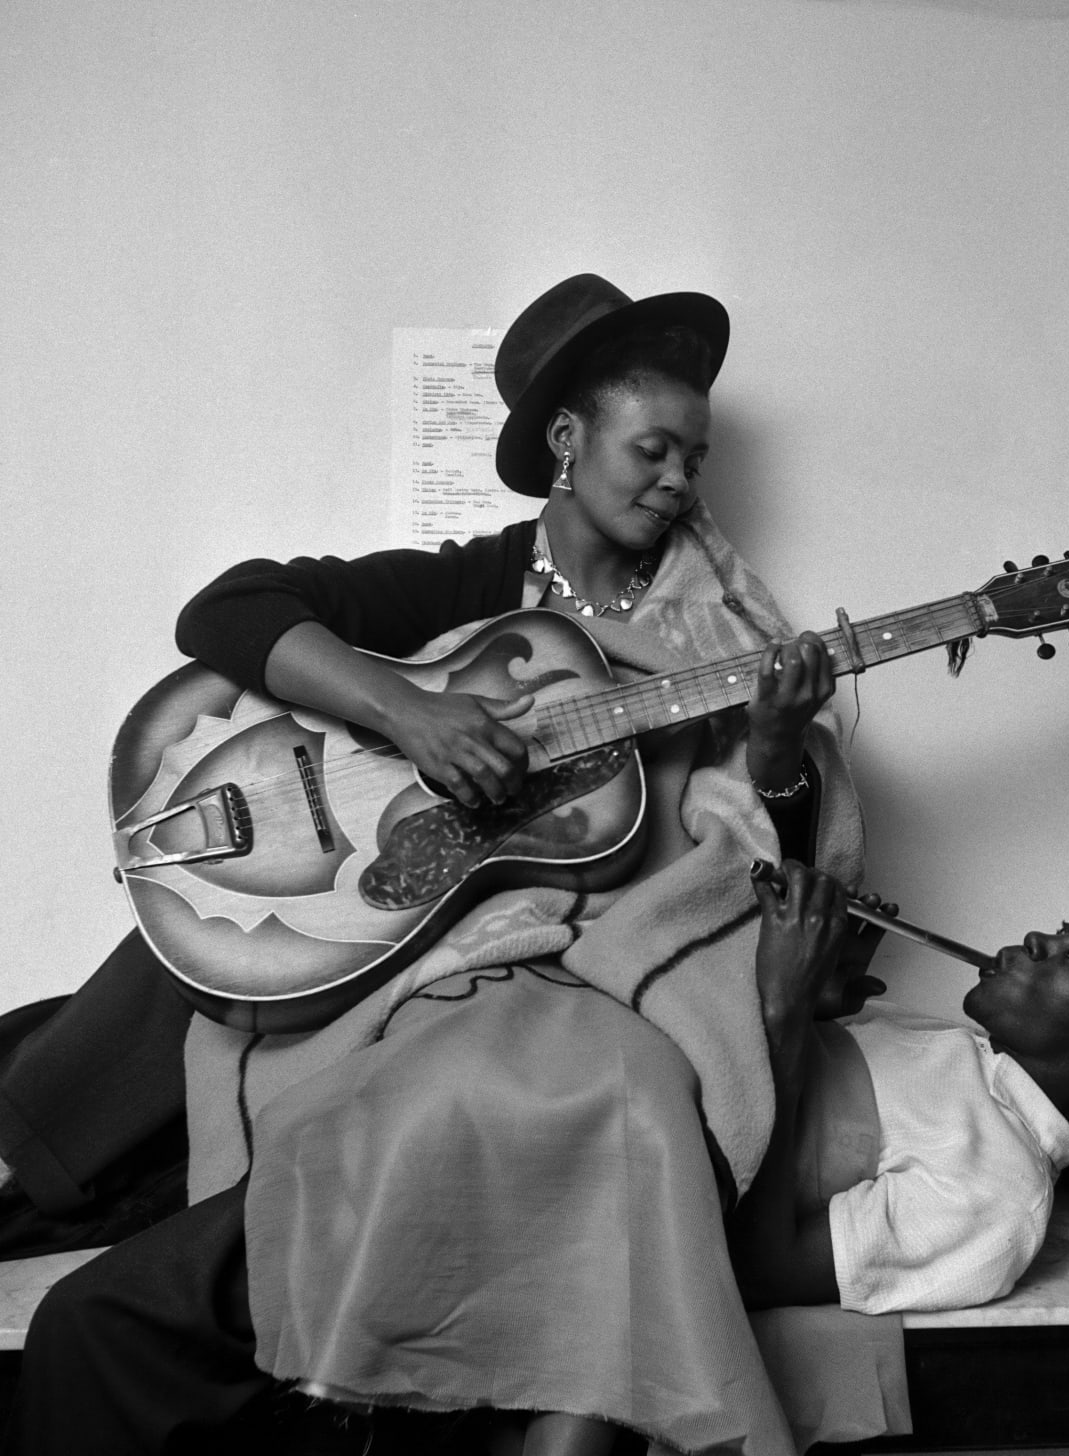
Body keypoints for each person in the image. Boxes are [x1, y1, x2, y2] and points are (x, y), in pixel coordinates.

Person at [2, 274, 866, 1456]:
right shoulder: (470, 585)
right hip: (416, 937)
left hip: (560, 978)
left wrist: (771, 757)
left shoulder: (719, 639)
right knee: (197, 958)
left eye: (695, 459)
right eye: (652, 448)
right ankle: (33, 1162)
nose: (678, 481)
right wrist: (409, 713)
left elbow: (763, 862)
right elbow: (229, 608)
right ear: (567, 440)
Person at [730, 859, 1069, 1314]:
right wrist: (820, 1007)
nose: (1037, 939)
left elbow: (765, 1272)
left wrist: (784, 1012)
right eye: (1065, 928)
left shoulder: (999, 1197)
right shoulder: (962, 1047)